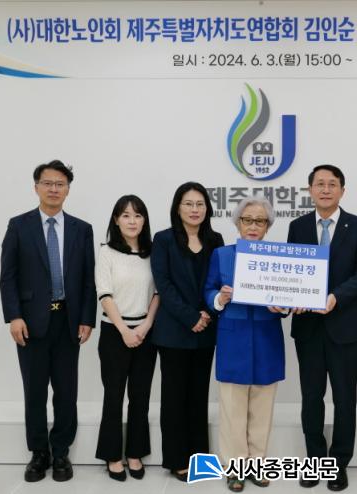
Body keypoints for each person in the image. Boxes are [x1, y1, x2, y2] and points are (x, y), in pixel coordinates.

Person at [0, 160, 96, 482]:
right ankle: (39, 453)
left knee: (66, 391)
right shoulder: (19, 226)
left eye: (60, 184)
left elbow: (88, 279)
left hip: (68, 321)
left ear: (68, 189)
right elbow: (8, 276)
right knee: (35, 391)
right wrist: (14, 316)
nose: (54, 189)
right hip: (30, 323)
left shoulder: (82, 229)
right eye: (47, 183)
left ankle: (61, 452)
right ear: (36, 187)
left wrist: (87, 318)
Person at [287, 164, 357, 491]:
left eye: (332, 184)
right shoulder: (297, 226)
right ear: (310, 189)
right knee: (311, 398)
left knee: (344, 399)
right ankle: (315, 462)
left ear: (342, 190)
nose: (325, 189)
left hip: (345, 327)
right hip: (308, 329)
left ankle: (338, 463)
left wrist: (337, 296)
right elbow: (292, 271)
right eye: (319, 184)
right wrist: (291, 297)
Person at [204, 197, 286, 492]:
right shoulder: (221, 255)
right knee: (232, 409)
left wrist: (284, 306)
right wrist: (220, 298)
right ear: (238, 223)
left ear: (267, 226)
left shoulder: (279, 256)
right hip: (233, 337)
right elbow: (208, 290)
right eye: (247, 220)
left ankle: (258, 464)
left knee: (262, 408)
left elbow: (289, 295)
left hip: (266, 338)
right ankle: (235, 468)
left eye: (259, 221)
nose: (253, 226)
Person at [150, 182, 224, 481]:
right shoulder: (163, 239)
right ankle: (177, 460)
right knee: (174, 398)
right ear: (177, 208)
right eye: (188, 204)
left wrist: (206, 314)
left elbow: (218, 281)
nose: (195, 209)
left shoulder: (215, 240)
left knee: (198, 397)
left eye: (200, 204)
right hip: (174, 331)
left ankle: (201, 460)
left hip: (206, 330)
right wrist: (190, 317)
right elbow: (163, 284)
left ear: (207, 208)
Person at [94, 195, 159, 481]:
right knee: (114, 396)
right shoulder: (107, 252)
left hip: (146, 332)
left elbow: (158, 293)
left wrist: (146, 326)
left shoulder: (152, 253)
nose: (132, 221)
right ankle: (112, 455)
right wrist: (124, 330)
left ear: (144, 220)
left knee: (140, 397)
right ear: (116, 220)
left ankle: (135, 453)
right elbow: (104, 294)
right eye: (126, 215)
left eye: (138, 215)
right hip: (114, 332)